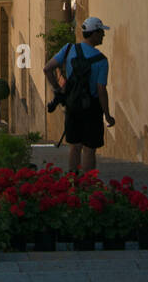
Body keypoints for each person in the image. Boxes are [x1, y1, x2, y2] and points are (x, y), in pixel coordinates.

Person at [43, 16, 115, 173]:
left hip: (73, 104)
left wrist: (57, 88)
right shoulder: (102, 60)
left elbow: (47, 68)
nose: (103, 35)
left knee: (75, 147)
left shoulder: (69, 49)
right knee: (89, 149)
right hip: (92, 107)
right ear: (94, 33)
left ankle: (72, 182)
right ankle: (87, 185)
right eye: (101, 32)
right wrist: (107, 115)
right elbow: (101, 90)